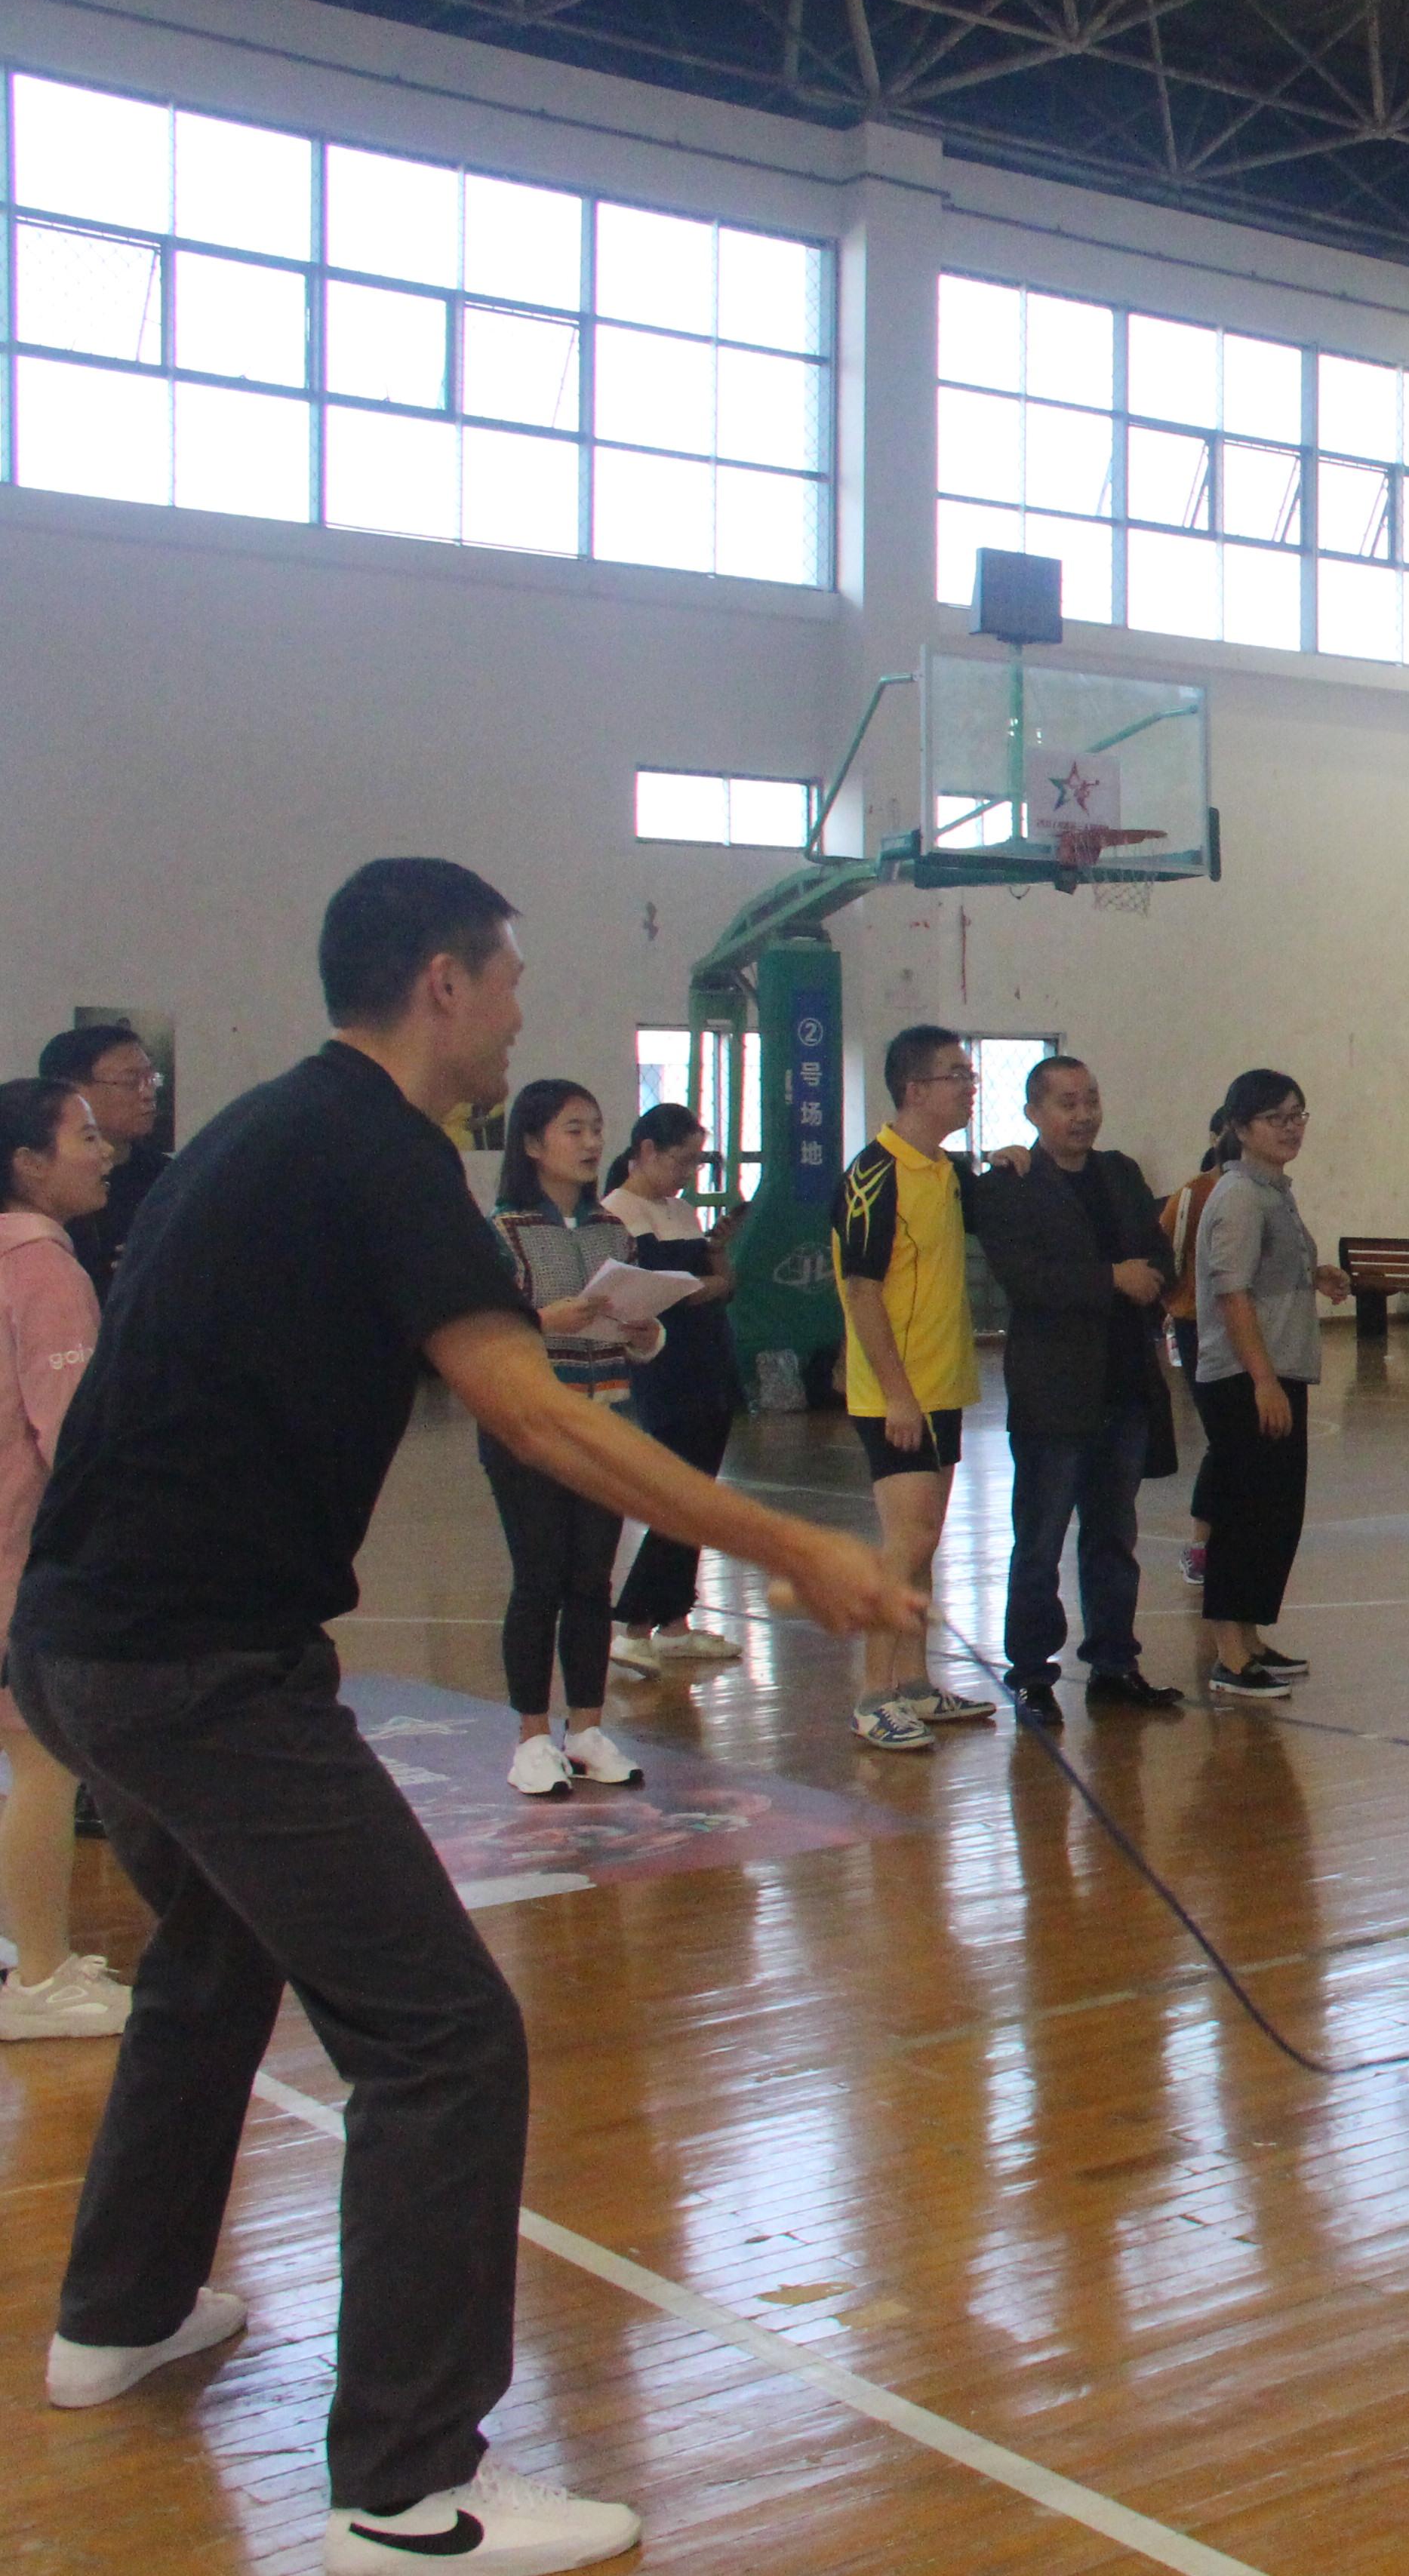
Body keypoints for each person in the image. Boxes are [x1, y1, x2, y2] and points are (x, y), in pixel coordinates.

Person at [11, 856, 903, 2575]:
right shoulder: (381, 1149)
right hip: (199, 1669)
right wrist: (795, 1544)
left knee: (212, 1956)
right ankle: (409, 2493)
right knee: (442, 2037)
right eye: (504, 979)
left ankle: (118, 2312)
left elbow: (397, 1338)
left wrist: (549, 1319)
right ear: (441, 981)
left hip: (81, 1648)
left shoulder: (271, 1133)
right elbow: (539, 1423)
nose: (516, 1012)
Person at [964, 1055, 1183, 1727]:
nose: (1083, 1115)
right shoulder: (1011, 1185)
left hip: (1125, 1386)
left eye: (1091, 1100)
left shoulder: (1121, 1173)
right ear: (1034, 1113)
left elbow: (1158, 1257)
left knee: (1114, 1536)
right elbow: (1028, 1280)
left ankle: (1114, 1663)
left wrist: (1144, 1278)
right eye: (1067, 1103)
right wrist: (1112, 1279)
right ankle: (1032, 1674)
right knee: (1040, 1540)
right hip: (1054, 1393)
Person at [481, 1081, 665, 1798]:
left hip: (605, 1421)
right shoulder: (503, 1233)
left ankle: (586, 1729)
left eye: (596, 1128)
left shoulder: (613, 1230)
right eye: (573, 1130)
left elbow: (636, 1332)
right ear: (532, 1144)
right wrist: (543, 1322)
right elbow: (480, 1334)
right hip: (528, 1425)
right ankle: (532, 1738)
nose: (591, 1143)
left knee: (592, 1578)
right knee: (540, 1578)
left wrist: (646, 1332)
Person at [0, 1080, 122, 2040]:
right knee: (41, 1762)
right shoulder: (42, 1267)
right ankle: (38, 1979)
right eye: (83, 1136)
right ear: (29, 1164)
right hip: (21, 1557)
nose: (105, 1149)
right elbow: (74, 1438)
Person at [836, 1025, 991, 1751]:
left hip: (943, 1386)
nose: (969, 1087)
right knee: (905, 1541)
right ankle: (874, 1695)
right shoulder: (875, 1174)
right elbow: (861, 1291)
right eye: (956, 1075)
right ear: (915, 1089)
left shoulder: (946, 1172)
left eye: (970, 1074)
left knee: (924, 1545)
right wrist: (897, 1394)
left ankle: (916, 1685)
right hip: (894, 1395)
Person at [1189, 1070, 1348, 1701]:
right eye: (1275, 1118)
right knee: (1244, 1513)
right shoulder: (1238, 1196)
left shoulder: (1274, 1192)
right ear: (1240, 1127)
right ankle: (1229, 1653)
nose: (1290, 1128)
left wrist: (1318, 1275)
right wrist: (1262, 1381)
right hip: (1245, 1377)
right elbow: (1231, 1293)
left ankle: (1251, 1639)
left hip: (1280, 1369)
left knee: (1274, 1515)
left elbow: (1269, 1271)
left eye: (1297, 1115)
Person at [598, 1105, 743, 1674]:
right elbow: (657, 1291)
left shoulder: (680, 1211)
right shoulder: (617, 1213)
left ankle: (675, 1621)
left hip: (709, 1359)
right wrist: (705, 1285)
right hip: (665, 1366)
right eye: (682, 1160)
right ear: (647, 1151)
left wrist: (716, 1258)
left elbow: (719, 1283)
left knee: (698, 1495)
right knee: (677, 1495)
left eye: (696, 1162)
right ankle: (634, 1624)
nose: (687, 1174)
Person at [35, 1023, 170, 1296]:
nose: (148, 1094)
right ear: (72, 1092)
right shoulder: (38, 1181)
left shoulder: (169, 1178)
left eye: (152, 1079)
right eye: (131, 1082)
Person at [1158, 1108, 1233, 1590]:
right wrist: (1173, 1305)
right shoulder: (1193, 1195)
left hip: (1251, 1330)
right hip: (1198, 1326)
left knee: (1243, 1440)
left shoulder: (1268, 1191)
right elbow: (1163, 1252)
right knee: (1222, 1439)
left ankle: (1237, 1535)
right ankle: (1203, 1545)